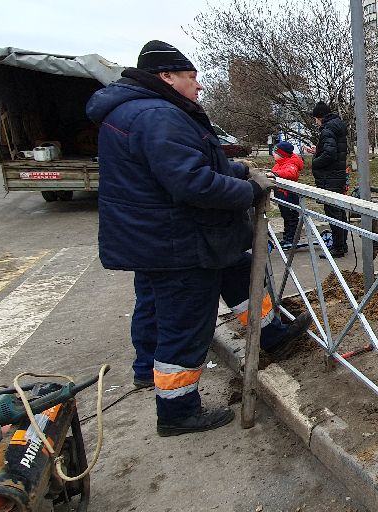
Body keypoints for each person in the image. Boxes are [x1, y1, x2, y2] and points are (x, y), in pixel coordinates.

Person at [86, 40, 310, 437]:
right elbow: (192, 182)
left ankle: (270, 334)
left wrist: (236, 171)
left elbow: (191, 163)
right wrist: (251, 192)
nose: (199, 86)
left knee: (240, 271)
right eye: (191, 78)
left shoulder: (141, 111)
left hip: (175, 236)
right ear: (166, 77)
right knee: (185, 324)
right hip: (179, 242)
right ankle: (177, 410)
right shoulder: (157, 115)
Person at [309, 101, 350, 258]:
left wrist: (315, 161)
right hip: (337, 175)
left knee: (333, 213)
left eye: (315, 119)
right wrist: (318, 150)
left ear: (319, 117)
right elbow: (332, 150)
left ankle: (338, 247)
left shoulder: (327, 129)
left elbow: (329, 154)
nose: (315, 122)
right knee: (339, 211)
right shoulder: (337, 127)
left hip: (329, 177)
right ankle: (341, 244)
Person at [272, 140, 304, 249]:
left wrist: (275, 174)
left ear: (282, 154)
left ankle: (292, 239)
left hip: (289, 195)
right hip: (281, 193)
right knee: (285, 216)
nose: (273, 154)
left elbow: (291, 174)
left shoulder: (291, 164)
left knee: (291, 217)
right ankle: (286, 238)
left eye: (275, 153)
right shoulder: (279, 163)